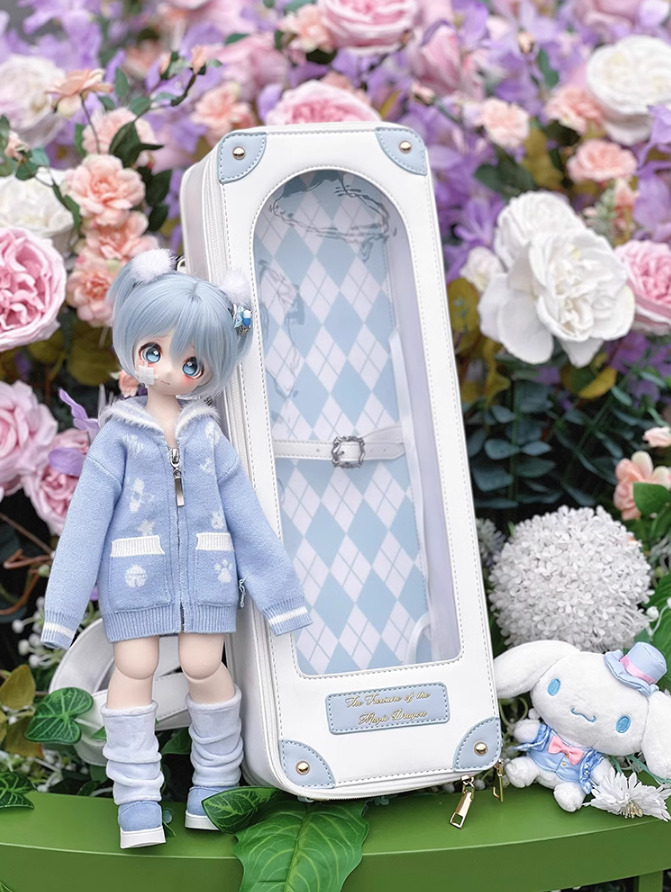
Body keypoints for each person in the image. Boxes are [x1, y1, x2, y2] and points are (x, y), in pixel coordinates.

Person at [41, 249, 311, 848]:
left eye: (191, 363)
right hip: (134, 578)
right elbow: (84, 525)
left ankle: (215, 783)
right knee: (134, 668)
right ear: (133, 347)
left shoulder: (207, 435)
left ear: (209, 369)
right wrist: (61, 610)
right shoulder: (118, 436)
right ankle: (136, 797)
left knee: (202, 665)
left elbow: (246, 518)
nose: (168, 371)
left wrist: (280, 596)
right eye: (153, 352)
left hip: (208, 577)